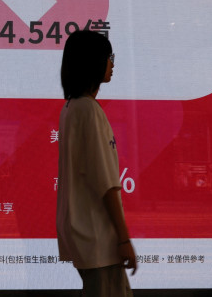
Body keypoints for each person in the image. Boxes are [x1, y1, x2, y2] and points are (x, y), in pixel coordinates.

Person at [56, 30, 136, 296]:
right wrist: (123, 238)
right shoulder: (89, 110)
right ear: (92, 61)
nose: (112, 64)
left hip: (85, 234)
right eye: (108, 57)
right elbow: (106, 183)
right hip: (99, 238)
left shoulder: (71, 108)